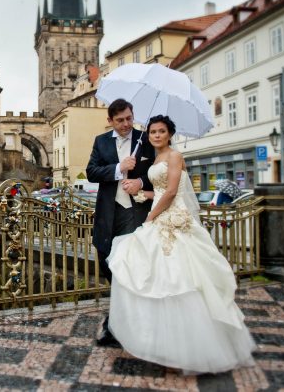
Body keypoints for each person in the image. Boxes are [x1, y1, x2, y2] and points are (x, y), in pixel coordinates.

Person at [106, 115, 255, 374]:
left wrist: (150, 217)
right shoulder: (155, 159)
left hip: (172, 219)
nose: (156, 135)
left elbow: (173, 192)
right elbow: (159, 192)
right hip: (161, 214)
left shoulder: (174, 156)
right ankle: (161, 344)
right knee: (153, 276)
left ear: (170, 134)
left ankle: (188, 349)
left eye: (161, 131)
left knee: (178, 279)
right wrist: (139, 191)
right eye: (153, 132)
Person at [85, 98, 155, 347]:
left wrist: (140, 182)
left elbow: (158, 172)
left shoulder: (145, 139)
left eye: (129, 118)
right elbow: (91, 172)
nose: (126, 124)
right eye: (120, 120)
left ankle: (117, 324)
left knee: (127, 265)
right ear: (110, 121)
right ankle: (123, 314)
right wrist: (118, 168)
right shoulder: (101, 141)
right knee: (106, 259)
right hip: (108, 212)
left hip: (134, 213)